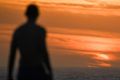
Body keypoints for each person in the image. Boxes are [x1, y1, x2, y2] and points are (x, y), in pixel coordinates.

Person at [7, 4, 53, 80]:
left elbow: (12, 55)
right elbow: (44, 52)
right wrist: (50, 71)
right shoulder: (40, 31)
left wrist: (9, 74)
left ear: (26, 14)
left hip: (23, 71)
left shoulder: (18, 31)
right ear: (37, 15)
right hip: (37, 70)